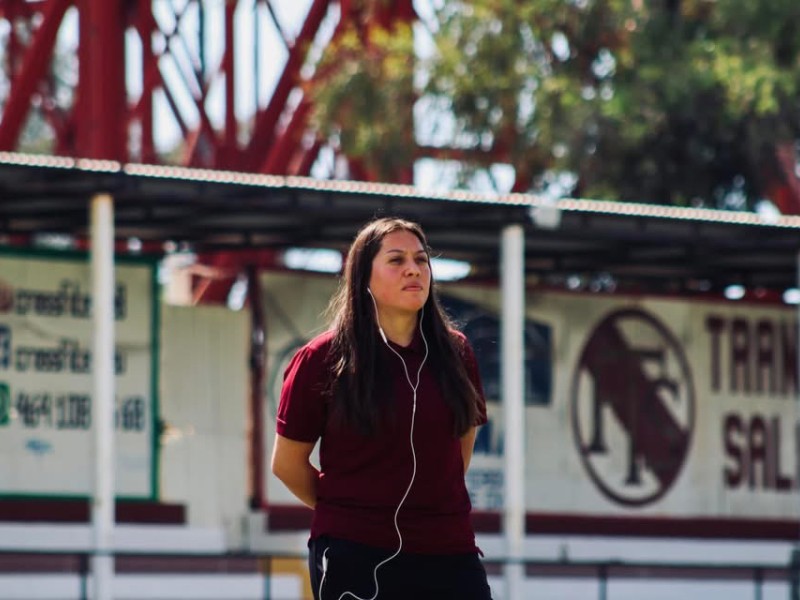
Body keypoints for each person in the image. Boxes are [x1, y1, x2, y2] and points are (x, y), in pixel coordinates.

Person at [271, 216, 493, 600]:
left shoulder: (457, 354)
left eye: (421, 260)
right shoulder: (321, 359)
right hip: (353, 552)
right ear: (363, 277)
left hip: (449, 553)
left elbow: (459, 450)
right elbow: (287, 464)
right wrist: (350, 509)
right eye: (396, 260)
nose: (413, 269)